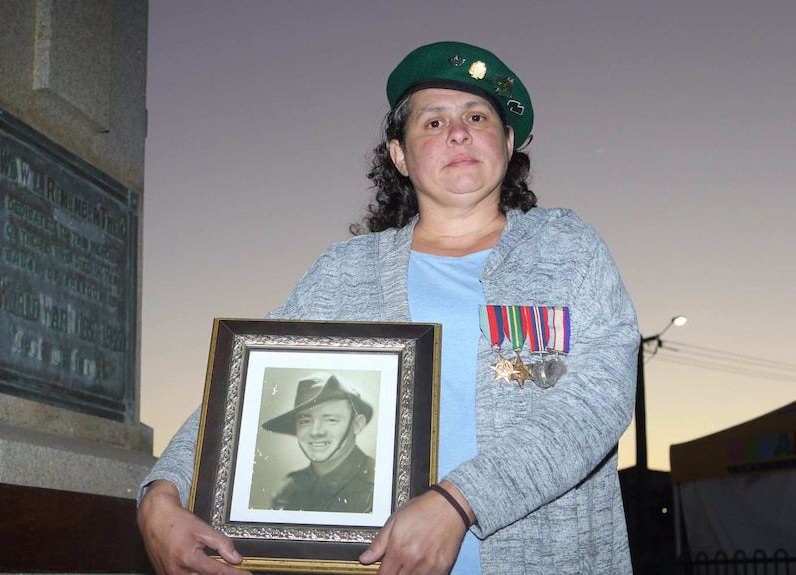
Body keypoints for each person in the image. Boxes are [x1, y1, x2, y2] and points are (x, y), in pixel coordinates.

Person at [137, 40, 638, 575]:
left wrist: (458, 501)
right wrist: (159, 493)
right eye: (432, 123)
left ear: (508, 141)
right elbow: (248, 391)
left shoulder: (566, 248)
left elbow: (597, 398)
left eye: (476, 116)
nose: (458, 132)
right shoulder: (344, 271)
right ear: (399, 155)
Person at [261, 372, 376, 513]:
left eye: (331, 420)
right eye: (305, 421)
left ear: (357, 425)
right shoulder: (288, 488)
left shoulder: (378, 487)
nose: (316, 431)